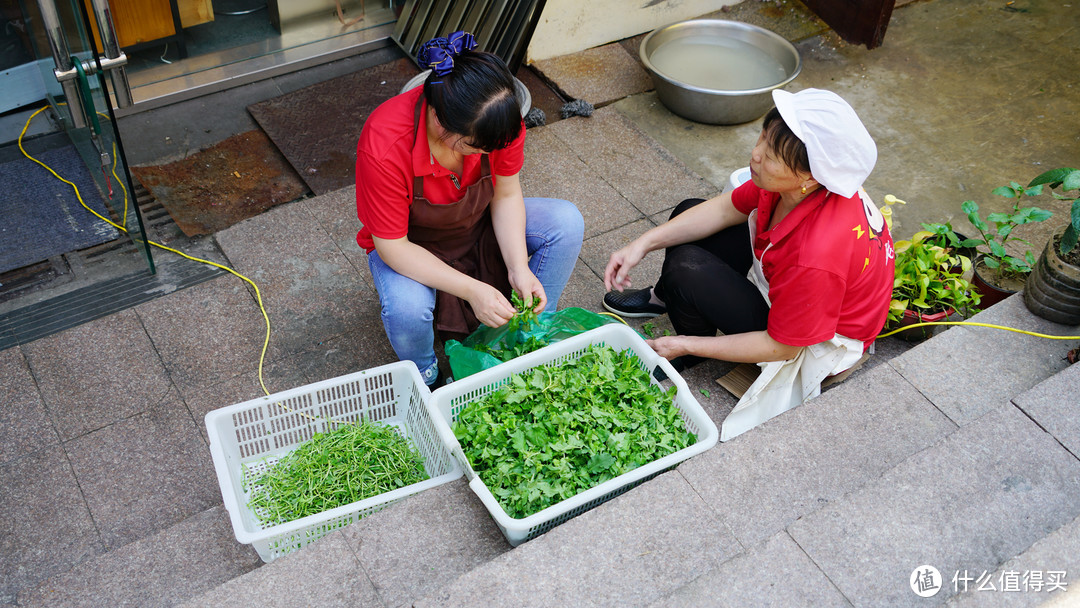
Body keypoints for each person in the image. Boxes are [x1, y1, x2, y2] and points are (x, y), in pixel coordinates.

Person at [602, 88, 894, 440]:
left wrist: (687, 344)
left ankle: (688, 346)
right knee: (688, 209)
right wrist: (641, 244)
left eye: (770, 156)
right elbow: (726, 208)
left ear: (810, 178)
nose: (755, 155)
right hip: (798, 294)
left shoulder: (817, 253)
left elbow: (784, 346)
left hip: (811, 342)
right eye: (763, 138)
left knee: (686, 267)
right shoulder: (797, 186)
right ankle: (666, 297)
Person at [356, 31, 584, 387]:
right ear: (440, 121)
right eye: (475, 149)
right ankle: (425, 377)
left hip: (476, 224)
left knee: (565, 222)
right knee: (406, 308)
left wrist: (519, 268)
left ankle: (529, 337)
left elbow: (506, 195)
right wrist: (472, 290)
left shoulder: (499, 124)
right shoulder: (384, 143)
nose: (483, 157)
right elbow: (392, 245)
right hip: (413, 245)